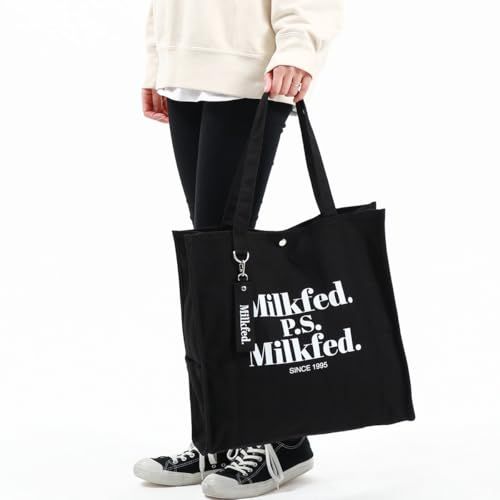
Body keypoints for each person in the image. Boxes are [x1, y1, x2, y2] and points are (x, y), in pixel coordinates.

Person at [134, 0, 343, 497]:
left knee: (226, 263)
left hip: (250, 74)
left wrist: (298, 48)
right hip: (186, 75)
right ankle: (221, 436)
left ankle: (278, 437)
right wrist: (159, 62)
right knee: (211, 263)